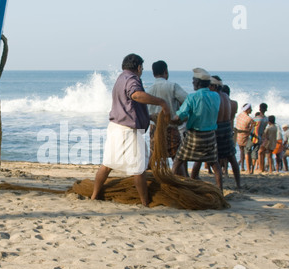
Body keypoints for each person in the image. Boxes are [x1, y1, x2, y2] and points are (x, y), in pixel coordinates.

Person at [91, 54, 169, 207]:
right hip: (128, 130)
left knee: (107, 164)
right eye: (142, 68)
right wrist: (161, 102)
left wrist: (149, 116)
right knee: (139, 168)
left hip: (115, 127)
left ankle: (94, 196)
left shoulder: (121, 78)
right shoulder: (133, 79)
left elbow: (128, 105)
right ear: (138, 67)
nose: (142, 70)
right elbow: (136, 95)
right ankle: (145, 202)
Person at [171, 68, 223, 190]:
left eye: (193, 81)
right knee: (215, 165)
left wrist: (170, 119)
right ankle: (220, 191)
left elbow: (181, 115)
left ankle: (171, 186)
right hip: (210, 136)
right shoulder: (216, 96)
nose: (192, 83)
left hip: (194, 136)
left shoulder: (192, 98)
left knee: (178, 160)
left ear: (198, 83)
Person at [146, 60, 188, 174]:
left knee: (154, 154)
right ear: (166, 71)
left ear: (154, 73)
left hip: (154, 129)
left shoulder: (148, 90)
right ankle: (182, 182)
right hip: (171, 126)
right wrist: (181, 114)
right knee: (177, 157)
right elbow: (187, 101)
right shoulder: (172, 86)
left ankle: (147, 179)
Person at [209, 76, 241, 188]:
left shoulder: (214, 97)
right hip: (227, 127)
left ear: (213, 86)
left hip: (217, 127)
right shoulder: (227, 97)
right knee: (232, 158)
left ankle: (219, 187)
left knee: (208, 156)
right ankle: (238, 184)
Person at [235, 103, 254, 171]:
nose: (251, 110)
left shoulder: (239, 115)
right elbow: (252, 129)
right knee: (248, 152)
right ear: (247, 109)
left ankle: (242, 166)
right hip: (245, 136)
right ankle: (249, 166)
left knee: (241, 151)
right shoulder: (249, 119)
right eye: (250, 109)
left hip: (238, 135)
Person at [257, 103, 269, 172]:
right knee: (263, 153)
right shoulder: (266, 119)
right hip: (264, 137)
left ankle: (260, 168)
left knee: (259, 153)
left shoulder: (257, 118)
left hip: (258, 136)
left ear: (260, 109)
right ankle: (262, 168)